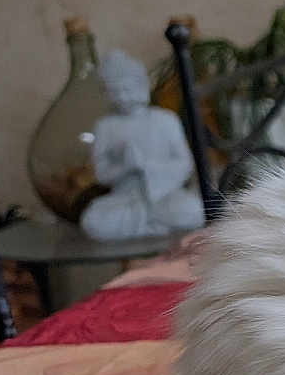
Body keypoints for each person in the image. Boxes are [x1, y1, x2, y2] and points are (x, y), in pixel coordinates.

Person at [80, 50, 205, 240]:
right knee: (92, 221)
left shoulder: (165, 119)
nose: (122, 97)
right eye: (115, 92)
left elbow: (185, 164)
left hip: (163, 196)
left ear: (142, 85)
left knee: (194, 211)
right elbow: (100, 174)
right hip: (125, 199)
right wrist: (125, 167)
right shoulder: (105, 126)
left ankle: (148, 223)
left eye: (127, 89)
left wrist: (147, 165)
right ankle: (151, 225)